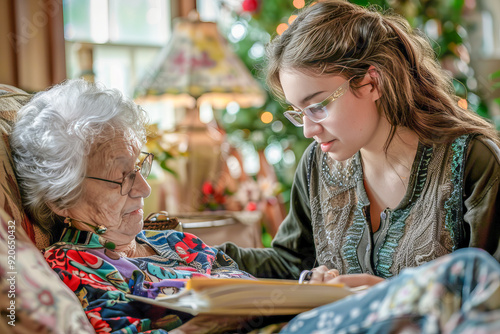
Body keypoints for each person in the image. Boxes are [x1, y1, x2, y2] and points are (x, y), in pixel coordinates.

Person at [218, 0, 500, 288]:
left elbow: (492, 293)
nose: (307, 130)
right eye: (298, 112)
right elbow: (290, 264)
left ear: (371, 83)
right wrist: (199, 257)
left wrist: (386, 294)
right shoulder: (316, 164)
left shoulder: (472, 161)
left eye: (317, 106)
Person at [10, 79, 253, 333]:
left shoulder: (176, 242)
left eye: (137, 167)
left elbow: (248, 284)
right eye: (120, 176)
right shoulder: (75, 265)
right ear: (61, 198)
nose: (144, 188)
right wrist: (215, 322)